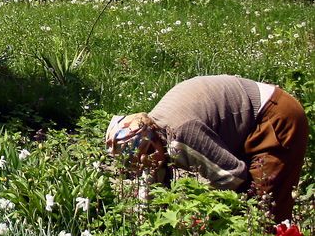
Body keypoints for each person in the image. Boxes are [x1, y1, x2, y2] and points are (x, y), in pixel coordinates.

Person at [105, 74, 309, 223]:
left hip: (276, 117)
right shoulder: (154, 132)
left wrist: (199, 211)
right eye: (134, 163)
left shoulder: (181, 134)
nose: (147, 161)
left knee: (263, 208)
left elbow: (233, 175)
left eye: (148, 152)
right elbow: (152, 182)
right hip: (249, 121)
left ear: (152, 133)